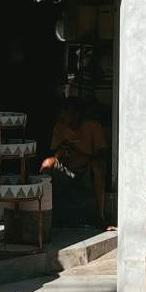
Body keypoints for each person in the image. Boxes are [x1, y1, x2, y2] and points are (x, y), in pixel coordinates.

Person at [40, 97, 108, 227]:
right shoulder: (59, 127)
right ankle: (42, 212)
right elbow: (54, 153)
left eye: (66, 111)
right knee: (47, 163)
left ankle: (100, 217)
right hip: (66, 170)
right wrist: (61, 153)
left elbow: (102, 155)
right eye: (62, 111)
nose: (62, 115)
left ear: (77, 114)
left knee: (97, 168)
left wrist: (79, 151)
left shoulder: (92, 126)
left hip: (86, 171)